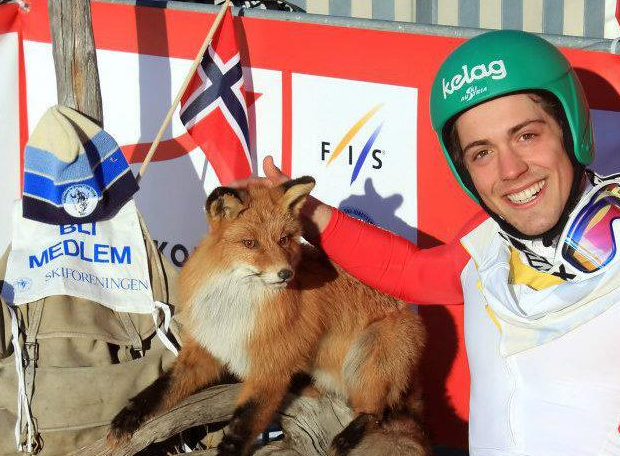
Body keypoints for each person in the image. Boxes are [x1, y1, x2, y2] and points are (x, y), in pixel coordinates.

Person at [236, 29, 620, 455]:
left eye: (527, 135)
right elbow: (407, 272)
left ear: (571, 129)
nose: (510, 169)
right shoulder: (486, 243)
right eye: (482, 152)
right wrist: (306, 214)